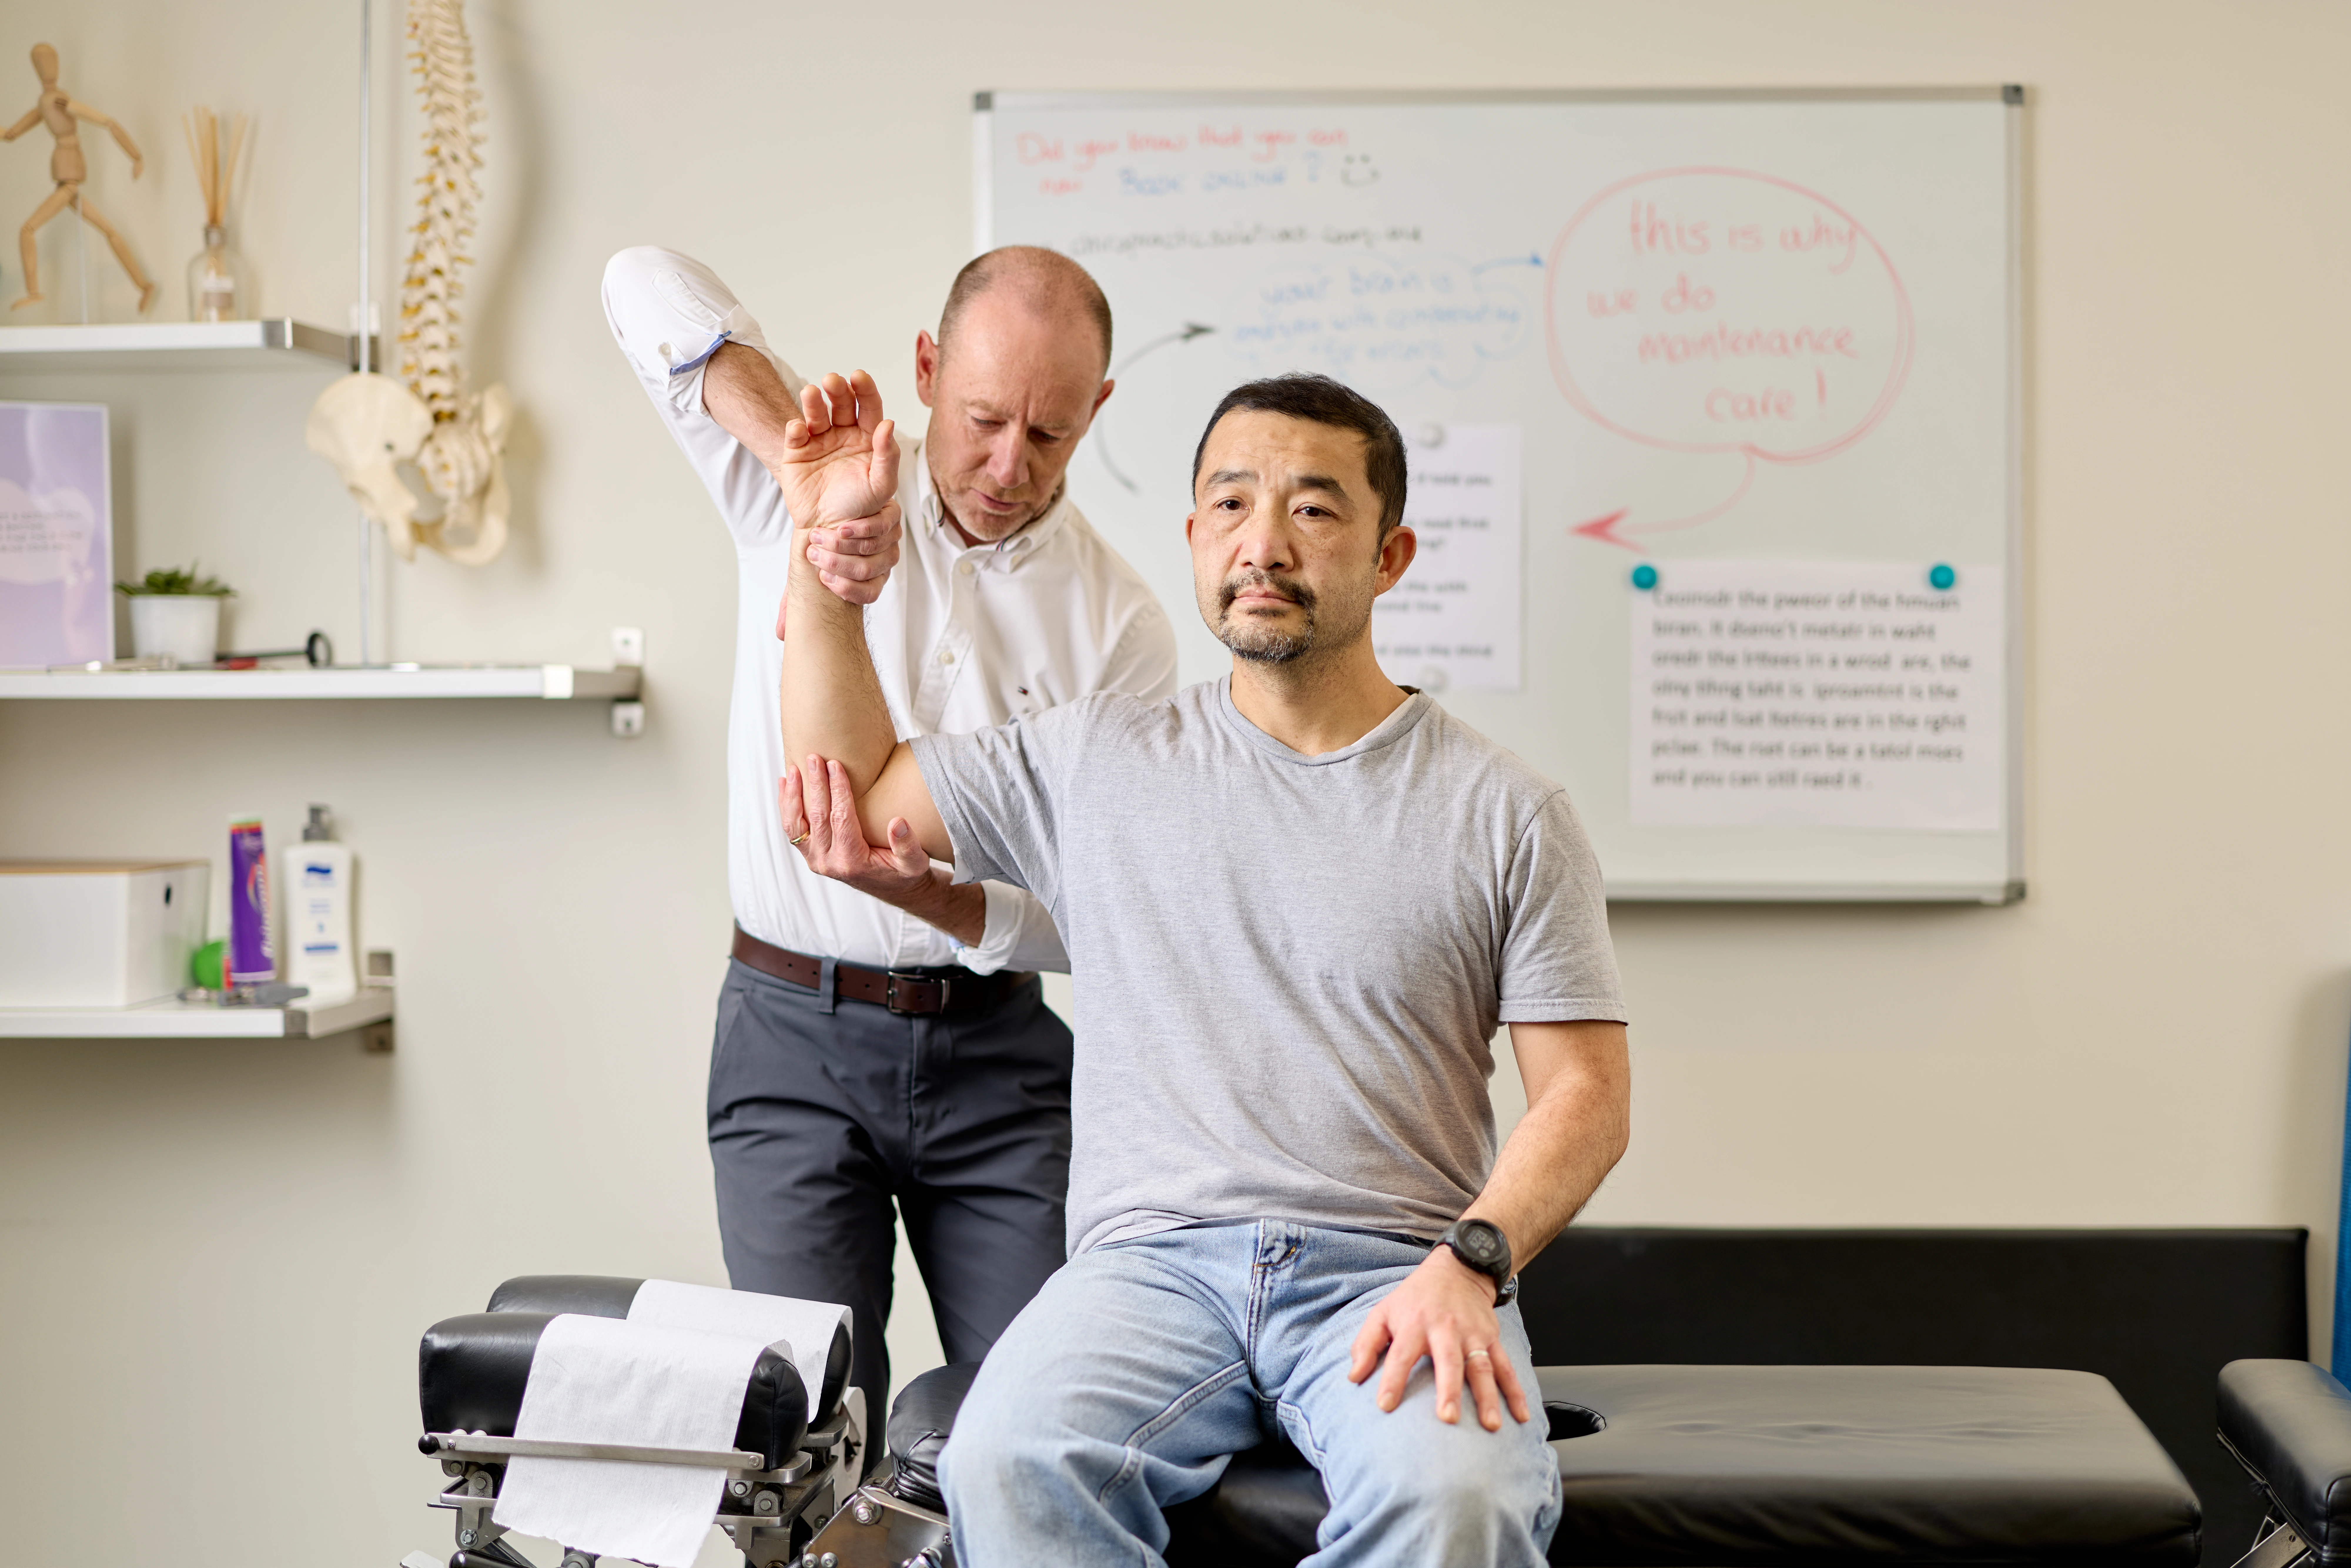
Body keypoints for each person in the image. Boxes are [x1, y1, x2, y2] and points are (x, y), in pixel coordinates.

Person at [771, 367, 1631, 1566]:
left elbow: (1585, 1097)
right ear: (1192, 539)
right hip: (1149, 1271)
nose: (1262, 542)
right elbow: (859, 794)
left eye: (1313, 509)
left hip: (1393, 1270)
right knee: (1005, 1459)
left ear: (1390, 557)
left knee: (1458, 1505)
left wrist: (1471, 1263)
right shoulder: (1097, 759)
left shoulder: (1509, 812)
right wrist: (828, 569)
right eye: (1231, 503)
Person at [600, 245, 1177, 1423]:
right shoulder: (793, 486)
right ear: (925, 369)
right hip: (791, 1043)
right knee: (810, 1432)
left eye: (1050, 433)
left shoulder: (1123, 627)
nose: (1009, 466)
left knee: (1042, 1423)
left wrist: (951, 904)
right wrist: (798, 471)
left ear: (1099, 409)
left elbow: (1104, 915)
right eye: (983, 419)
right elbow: (638, 283)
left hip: (1000, 1060)